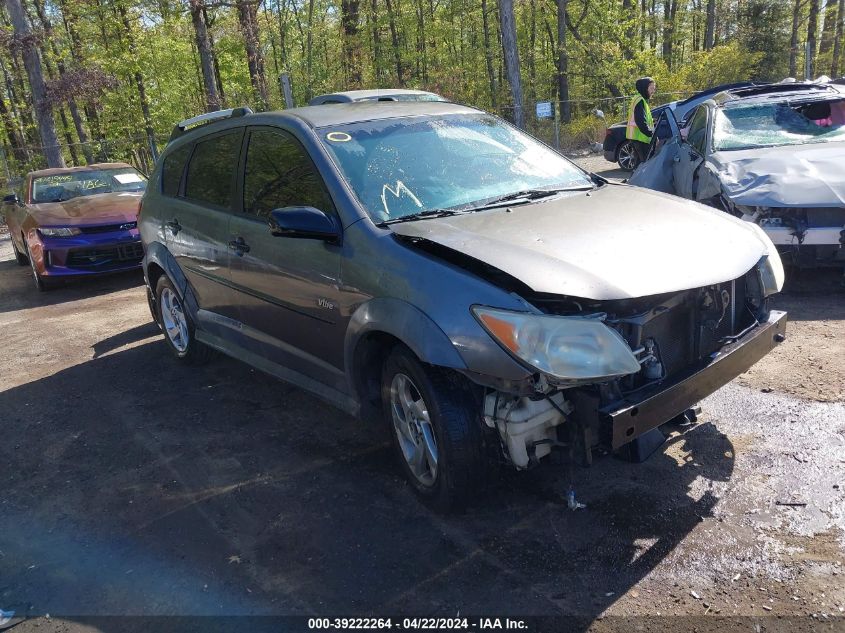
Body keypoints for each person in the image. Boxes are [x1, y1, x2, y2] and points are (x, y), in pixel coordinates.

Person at [626, 77, 656, 164]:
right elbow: (641, 122)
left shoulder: (639, 99)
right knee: (643, 167)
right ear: (644, 88)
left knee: (638, 166)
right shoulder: (640, 101)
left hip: (637, 139)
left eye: (654, 88)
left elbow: (643, 119)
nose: (653, 91)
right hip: (641, 140)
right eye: (651, 88)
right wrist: (652, 134)